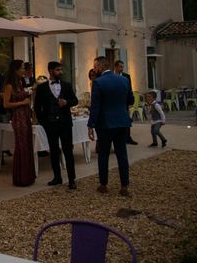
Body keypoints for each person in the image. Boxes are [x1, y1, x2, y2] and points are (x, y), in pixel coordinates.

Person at [88, 56, 134, 196]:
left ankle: (103, 184)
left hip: (105, 124)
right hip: (122, 122)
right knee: (122, 154)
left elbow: (95, 106)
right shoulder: (124, 80)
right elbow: (130, 99)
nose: (94, 69)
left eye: (95, 66)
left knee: (103, 155)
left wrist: (91, 124)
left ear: (101, 66)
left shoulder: (98, 82)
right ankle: (124, 185)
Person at [34, 61, 79, 189]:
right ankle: (57, 177)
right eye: (58, 70)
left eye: (61, 69)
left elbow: (75, 100)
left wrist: (66, 102)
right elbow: (38, 107)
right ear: (51, 71)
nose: (61, 72)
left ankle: (72, 179)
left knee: (68, 151)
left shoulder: (67, 85)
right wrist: (44, 123)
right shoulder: (42, 88)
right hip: (51, 125)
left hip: (65, 124)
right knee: (53, 152)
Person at [2, 59, 35, 187]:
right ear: (15, 70)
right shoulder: (9, 85)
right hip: (18, 118)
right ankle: (21, 177)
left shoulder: (20, 83)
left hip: (25, 116)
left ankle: (28, 176)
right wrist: (22, 102)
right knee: (21, 146)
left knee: (27, 144)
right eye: (22, 68)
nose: (24, 70)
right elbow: (6, 104)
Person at [114, 60, 138, 145]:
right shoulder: (112, 76)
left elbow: (129, 90)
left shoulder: (126, 76)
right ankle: (118, 138)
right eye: (120, 66)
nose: (122, 68)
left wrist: (130, 101)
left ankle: (128, 137)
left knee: (126, 120)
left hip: (124, 102)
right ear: (116, 67)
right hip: (114, 102)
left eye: (122, 67)